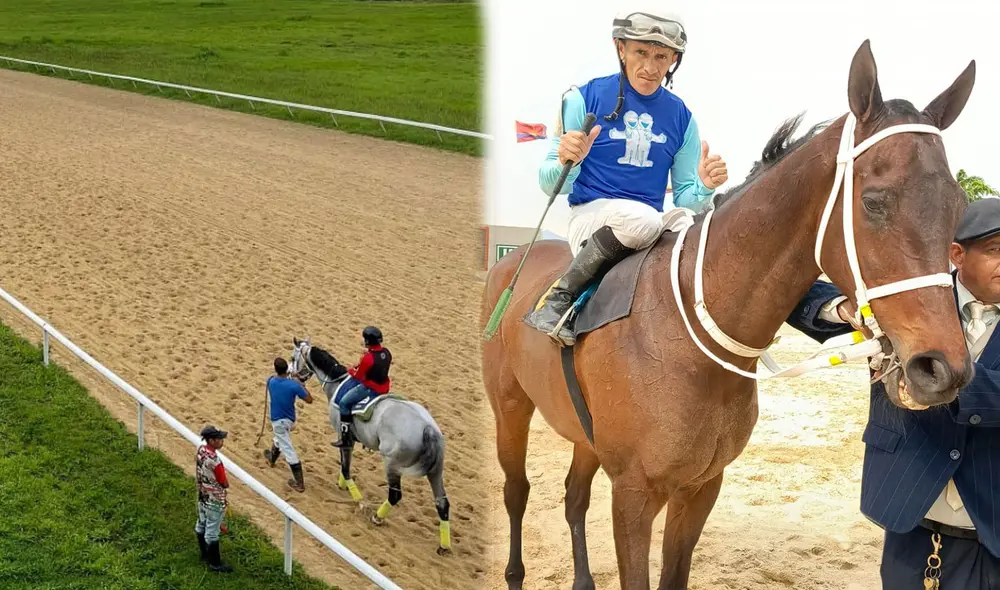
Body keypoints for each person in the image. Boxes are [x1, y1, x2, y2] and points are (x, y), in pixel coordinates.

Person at [789, 197, 1000, 588]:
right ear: (956, 254)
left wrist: (936, 381)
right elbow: (794, 293)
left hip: (992, 531)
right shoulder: (905, 301)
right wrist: (845, 309)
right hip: (909, 515)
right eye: (995, 250)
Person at [524, 6, 729, 345]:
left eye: (661, 57)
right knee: (645, 220)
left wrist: (705, 186)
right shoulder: (582, 99)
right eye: (641, 53)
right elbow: (549, 183)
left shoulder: (682, 118)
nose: (650, 67)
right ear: (621, 49)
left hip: (646, 220)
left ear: (673, 60)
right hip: (593, 217)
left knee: (690, 227)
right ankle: (558, 299)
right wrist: (567, 159)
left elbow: (685, 199)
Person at [332, 326, 392, 448]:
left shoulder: (368, 358)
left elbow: (359, 377)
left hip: (371, 389)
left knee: (344, 403)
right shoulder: (386, 352)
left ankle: (345, 438)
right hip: (385, 387)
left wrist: (350, 370)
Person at [262, 357, 313, 492]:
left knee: (288, 448)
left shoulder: (271, 381)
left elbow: (274, 378)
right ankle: (272, 458)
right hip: (289, 419)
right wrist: (301, 384)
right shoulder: (293, 385)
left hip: (277, 420)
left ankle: (299, 483)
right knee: (280, 437)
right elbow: (309, 400)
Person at [195, 425, 233, 573]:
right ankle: (215, 564)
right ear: (211, 440)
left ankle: (204, 554)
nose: (222, 441)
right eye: (219, 439)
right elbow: (223, 482)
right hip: (214, 500)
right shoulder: (215, 461)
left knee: (201, 524)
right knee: (212, 532)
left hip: (202, 495)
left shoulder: (201, 451)